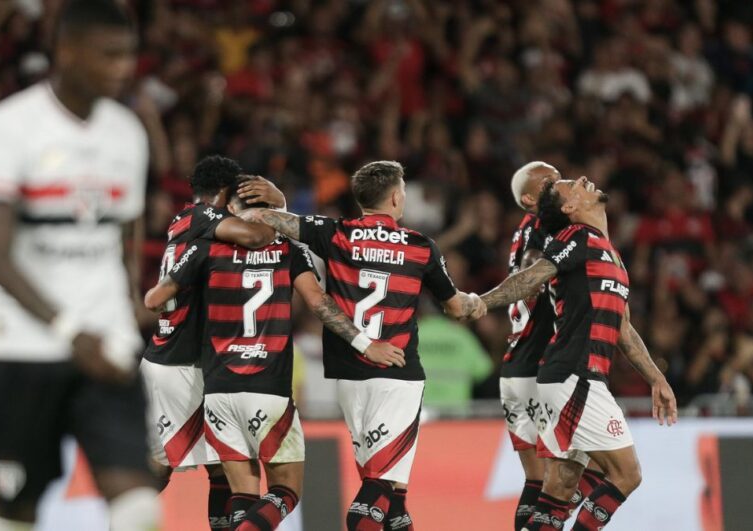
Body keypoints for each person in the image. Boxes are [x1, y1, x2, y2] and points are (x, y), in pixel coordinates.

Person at [0, 1, 157, 529]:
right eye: (109, 55)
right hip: (25, 348)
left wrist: (126, 315)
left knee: (139, 507)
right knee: (17, 512)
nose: (123, 68)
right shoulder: (6, 127)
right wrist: (70, 332)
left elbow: (121, 239)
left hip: (106, 347)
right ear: (67, 53)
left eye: (129, 55)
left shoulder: (127, 134)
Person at [143, 176, 405, 530]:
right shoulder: (289, 250)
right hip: (268, 387)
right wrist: (364, 344)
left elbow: (155, 299)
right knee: (285, 490)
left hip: (219, 388)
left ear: (231, 210)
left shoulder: (206, 248)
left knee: (241, 494)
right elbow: (319, 303)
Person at [238, 161, 481, 531]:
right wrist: (478, 302)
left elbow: (278, 223)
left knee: (394, 499)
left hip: (349, 378)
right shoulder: (420, 247)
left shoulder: (334, 233)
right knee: (377, 491)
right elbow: (455, 306)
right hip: (396, 377)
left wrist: (272, 204)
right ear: (398, 198)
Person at [472, 177, 678, 530]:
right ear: (570, 208)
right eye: (572, 185)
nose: (582, 179)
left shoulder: (610, 253)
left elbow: (624, 331)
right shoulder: (575, 239)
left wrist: (656, 378)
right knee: (626, 474)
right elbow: (531, 277)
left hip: (571, 376)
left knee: (563, 482)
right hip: (574, 374)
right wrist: (480, 302)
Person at [140, 155, 283, 530]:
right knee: (158, 468)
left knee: (223, 465)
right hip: (179, 365)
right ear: (225, 193)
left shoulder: (183, 219)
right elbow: (258, 236)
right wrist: (278, 204)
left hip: (183, 358)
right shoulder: (207, 219)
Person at [503, 162, 608, 529]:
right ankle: (550, 519)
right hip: (541, 367)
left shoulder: (528, 230)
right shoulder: (542, 227)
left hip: (516, 368)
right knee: (599, 466)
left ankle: (548, 517)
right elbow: (531, 271)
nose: (560, 185)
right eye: (550, 183)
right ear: (530, 200)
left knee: (539, 482)